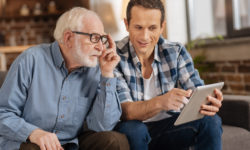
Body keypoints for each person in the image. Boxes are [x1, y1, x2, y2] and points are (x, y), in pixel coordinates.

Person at [0, 7, 129, 150]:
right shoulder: (30, 60)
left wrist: (107, 74)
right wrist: (33, 133)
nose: (100, 47)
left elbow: (102, 126)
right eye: (94, 38)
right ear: (68, 38)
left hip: (72, 143)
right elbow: (3, 113)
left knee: (115, 141)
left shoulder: (96, 69)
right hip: (31, 143)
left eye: (102, 39)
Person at [114, 0, 223, 150]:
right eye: (138, 27)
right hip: (133, 128)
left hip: (168, 128)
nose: (145, 37)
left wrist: (209, 101)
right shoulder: (114, 55)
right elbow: (125, 111)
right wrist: (160, 102)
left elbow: (196, 89)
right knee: (135, 130)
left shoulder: (175, 51)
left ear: (162, 27)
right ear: (127, 25)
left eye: (152, 28)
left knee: (211, 121)